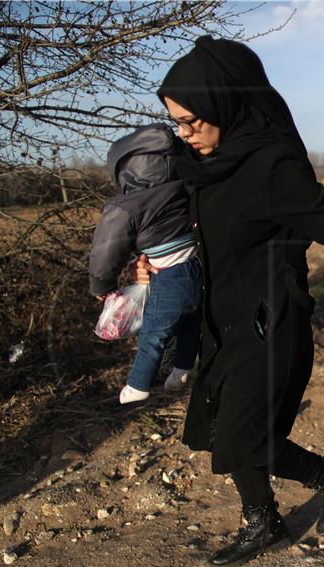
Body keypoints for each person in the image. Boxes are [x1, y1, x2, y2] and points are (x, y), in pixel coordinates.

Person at [141, 36, 324, 567]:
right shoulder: (200, 171)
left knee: (246, 435)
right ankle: (263, 522)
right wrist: (152, 263)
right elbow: (191, 239)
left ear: (225, 106)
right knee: (220, 430)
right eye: (176, 123)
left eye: (192, 121)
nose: (184, 134)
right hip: (221, 323)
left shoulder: (274, 166)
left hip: (270, 322)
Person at [89, 124, 203, 404]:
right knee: (191, 323)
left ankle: (138, 384)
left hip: (169, 278)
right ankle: (182, 369)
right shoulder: (186, 188)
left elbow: (107, 247)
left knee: (154, 332)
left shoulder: (126, 206)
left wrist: (101, 284)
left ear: (124, 168)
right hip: (197, 273)